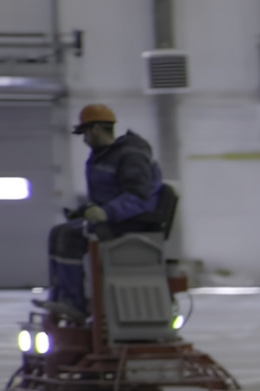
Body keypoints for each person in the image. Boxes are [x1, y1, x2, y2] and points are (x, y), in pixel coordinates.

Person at [46, 103, 177, 318]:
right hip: (116, 219)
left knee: (70, 236)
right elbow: (106, 196)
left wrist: (106, 213)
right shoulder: (104, 155)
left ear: (97, 128)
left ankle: (74, 303)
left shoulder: (130, 155)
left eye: (85, 133)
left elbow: (138, 197)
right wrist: (85, 211)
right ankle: (59, 297)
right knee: (58, 232)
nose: (85, 140)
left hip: (133, 222)